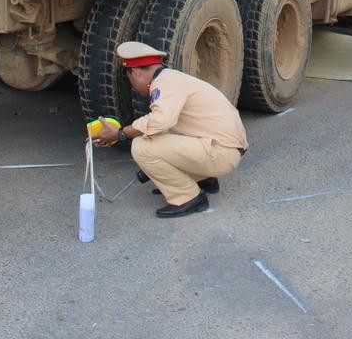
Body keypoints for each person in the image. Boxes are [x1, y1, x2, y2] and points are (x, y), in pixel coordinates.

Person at [92, 41, 248, 218]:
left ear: (135, 73)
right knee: (159, 134)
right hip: (225, 148)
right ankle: (204, 179)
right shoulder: (172, 78)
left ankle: (187, 197)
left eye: (129, 79)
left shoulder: (163, 83)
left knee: (141, 147)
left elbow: (160, 121)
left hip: (221, 153)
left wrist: (120, 134)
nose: (133, 85)